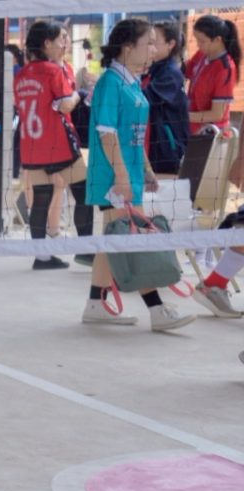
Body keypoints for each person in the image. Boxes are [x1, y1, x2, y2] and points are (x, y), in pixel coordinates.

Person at [80, 18, 194, 332]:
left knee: (113, 240)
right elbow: (107, 133)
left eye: (156, 43)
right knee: (133, 239)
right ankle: (157, 310)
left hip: (129, 173)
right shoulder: (110, 82)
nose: (154, 50)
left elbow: (134, 133)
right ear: (128, 47)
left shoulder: (132, 82)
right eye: (149, 43)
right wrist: (122, 177)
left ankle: (95, 304)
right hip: (113, 177)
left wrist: (146, 169)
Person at [14, 21, 87, 270]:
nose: (63, 44)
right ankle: (88, 250)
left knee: (40, 200)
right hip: (58, 144)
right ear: (46, 43)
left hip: (32, 147)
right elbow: (65, 104)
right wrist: (79, 94)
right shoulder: (53, 70)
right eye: (59, 40)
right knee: (83, 194)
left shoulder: (21, 75)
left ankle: (42, 258)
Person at [145, 20, 190, 178]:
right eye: (147, 41)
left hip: (167, 152)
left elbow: (145, 98)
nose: (149, 46)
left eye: (154, 41)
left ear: (171, 44)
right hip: (155, 148)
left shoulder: (170, 73)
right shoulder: (153, 69)